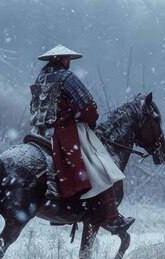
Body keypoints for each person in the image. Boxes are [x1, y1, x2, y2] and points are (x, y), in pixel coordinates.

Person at [29, 44, 134, 234]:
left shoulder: (41, 78)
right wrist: (89, 121)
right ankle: (112, 217)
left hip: (39, 132)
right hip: (65, 132)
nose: (68, 62)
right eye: (67, 59)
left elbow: (34, 109)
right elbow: (88, 108)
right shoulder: (67, 77)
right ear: (62, 60)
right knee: (102, 165)